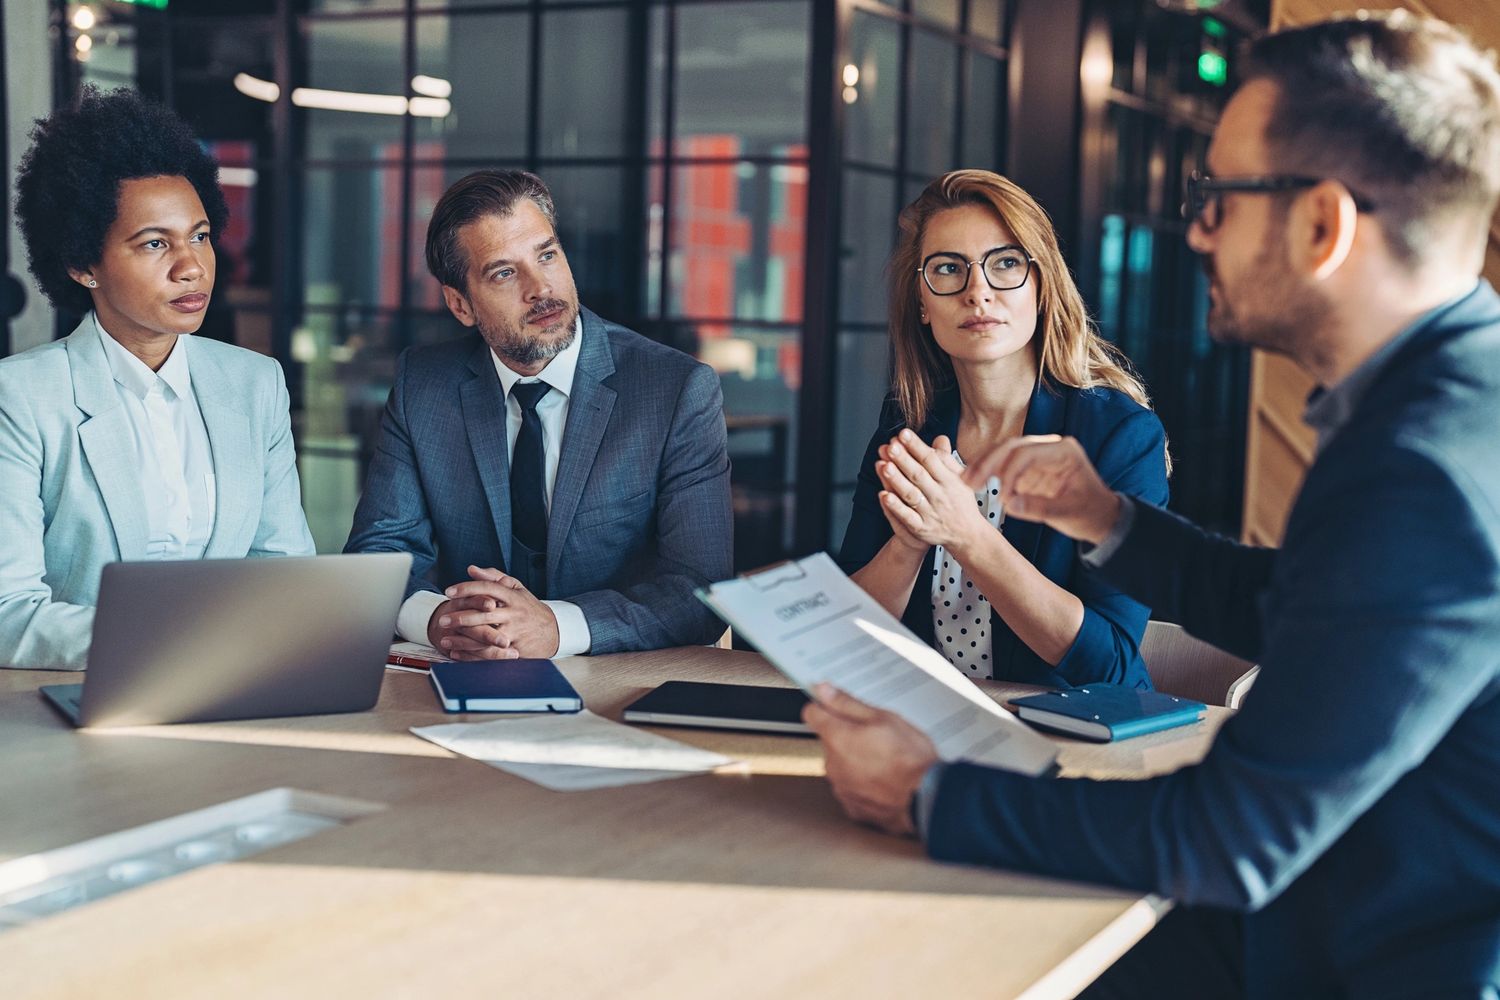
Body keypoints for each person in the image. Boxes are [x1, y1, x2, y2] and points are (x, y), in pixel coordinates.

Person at [804, 13, 1500, 998]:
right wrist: (1109, 521)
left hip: (1353, 954)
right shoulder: (1452, 401)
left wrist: (929, 794)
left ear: (1321, 226)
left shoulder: (1423, 469)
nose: (1196, 229)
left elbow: (1229, 836)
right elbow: (1303, 600)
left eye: (1220, 197)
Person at [345, 170, 731, 659]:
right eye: (504, 272)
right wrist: (439, 619)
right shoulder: (425, 385)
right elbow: (378, 555)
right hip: (472, 672)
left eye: (547, 255)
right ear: (460, 305)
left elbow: (701, 588)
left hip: (622, 681)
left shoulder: (675, 391)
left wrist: (556, 627)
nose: (540, 287)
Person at [0, 87, 315, 670]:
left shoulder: (255, 383)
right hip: (75, 701)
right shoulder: (21, 398)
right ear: (82, 263)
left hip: (235, 689)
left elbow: (283, 569)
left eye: (199, 235)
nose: (191, 265)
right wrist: (178, 643)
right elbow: (8, 612)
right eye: (154, 243)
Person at [839, 170, 1168, 689]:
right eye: (949, 269)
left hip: (1075, 737)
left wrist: (966, 533)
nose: (978, 292)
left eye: (1006, 264)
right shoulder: (907, 426)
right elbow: (847, 641)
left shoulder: (1120, 436)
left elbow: (1109, 664)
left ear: (1041, 287)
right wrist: (907, 544)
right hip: (930, 727)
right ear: (923, 304)